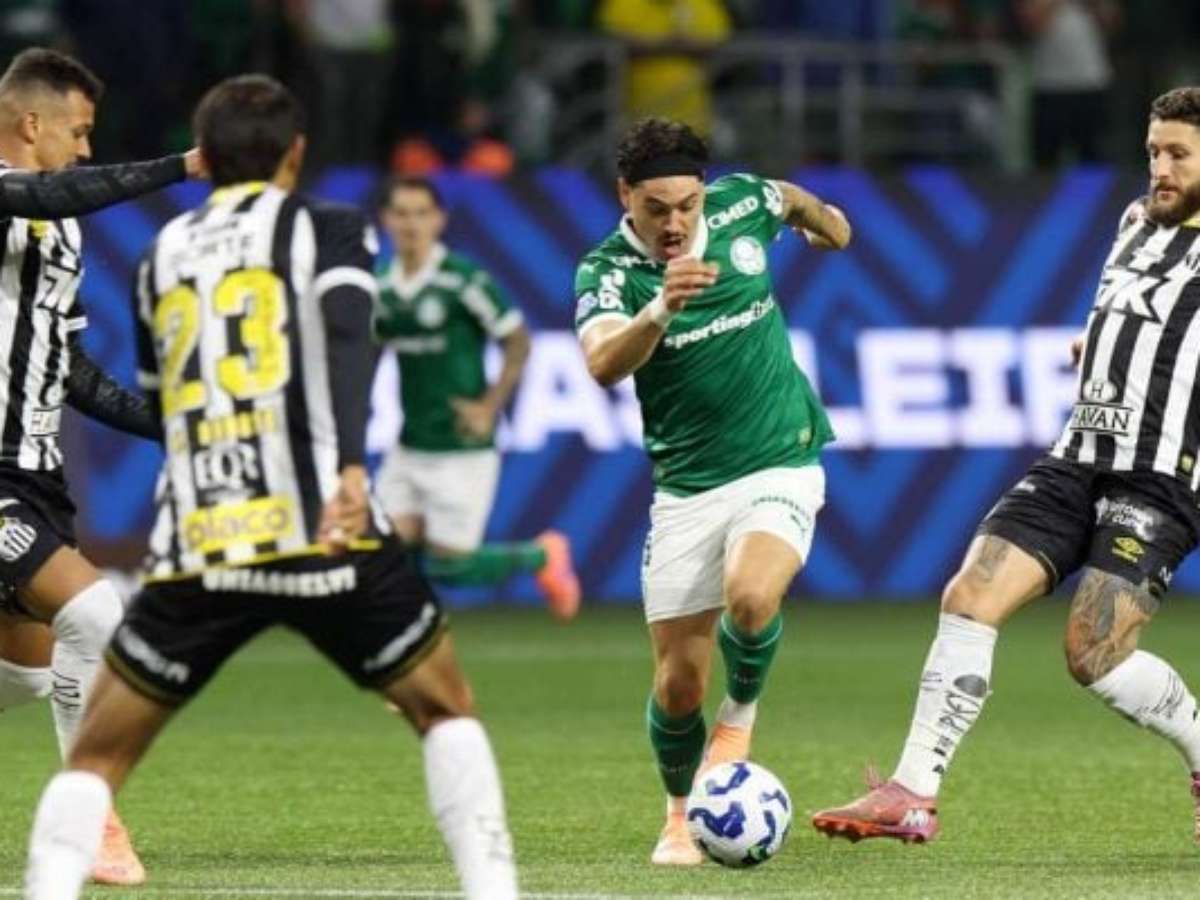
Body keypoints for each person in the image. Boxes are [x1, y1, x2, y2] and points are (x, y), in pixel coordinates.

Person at [23, 74, 517, 900]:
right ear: (295, 154)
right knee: (444, 708)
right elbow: (351, 341)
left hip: (203, 541)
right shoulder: (329, 228)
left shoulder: (160, 256)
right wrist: (351, 465)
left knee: (98, 757)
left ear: (207, 158)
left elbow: (167, 403)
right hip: (323, 527)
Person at [812, 86, 1200, 846]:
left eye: (1179, 155)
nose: (1160, 168)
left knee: (1092, 652)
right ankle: (912, 794)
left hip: (1158, 479)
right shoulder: (1133, 221)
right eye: (1153, 151)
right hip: (1077, 455)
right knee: (970, 594)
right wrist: (1099, 349)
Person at [574, 117, 851, 865]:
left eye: (687, 205)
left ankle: (739, 722)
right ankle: (678, 815)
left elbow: (790, 199)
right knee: (677, 686)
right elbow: (602, 364)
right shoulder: (607, 272)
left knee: (752, 597)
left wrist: (827, 226)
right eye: (656, 208)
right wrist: (661, 307)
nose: (675, 223)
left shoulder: (739, 204)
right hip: (688, 488)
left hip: (781, 457)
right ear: (625, 196)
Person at [0, 47, 205, 887]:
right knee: (96, 615)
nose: (85, 150)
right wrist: (185, 165)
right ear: (31, 123)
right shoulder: (19, 196)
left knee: (26, 675)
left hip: (35, 474)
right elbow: (47, 192)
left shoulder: (63, 228)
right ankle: (87, 824)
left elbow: (71, 369)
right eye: (79, 132)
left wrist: (171, 423)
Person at [372, 175, 580, 619]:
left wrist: (489, 405)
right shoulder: (382, 287)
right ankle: (414, 637)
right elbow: (370, 348)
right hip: (410, 445)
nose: (411, 224)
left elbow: (517, 339)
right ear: (386, 220)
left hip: (461, 446)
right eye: (402, 214)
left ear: (439, 220)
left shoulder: (462, 281)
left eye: (421, 214)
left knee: (450, 568)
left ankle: (541, 555)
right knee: (383, 554)